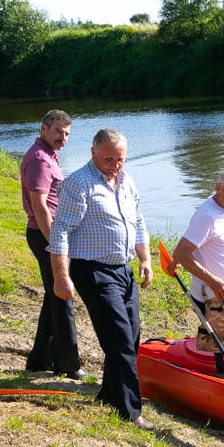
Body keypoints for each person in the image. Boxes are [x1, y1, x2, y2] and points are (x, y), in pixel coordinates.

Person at [48, 129, 154, 430]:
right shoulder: (78, 184)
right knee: (118, 337)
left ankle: (109, 394)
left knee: (130, 336)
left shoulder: (126, 180)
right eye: (109, 158)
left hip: (123, 269)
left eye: (120, 159)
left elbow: (138, 221)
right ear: (93, 152)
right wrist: (61, 277)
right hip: (92, 270)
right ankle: (130, 412)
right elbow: (61, 232)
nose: (115, 165)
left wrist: (145, 259)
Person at [20, 110, 86, 380]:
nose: (63, 137)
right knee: (62, 295)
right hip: (46, 236)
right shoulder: (39, 160)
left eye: (67, 133)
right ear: (43, 128)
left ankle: (39, 358)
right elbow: (40, 206)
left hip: (49, 235)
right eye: (58, 131)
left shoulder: (47, 155)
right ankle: (68, 365)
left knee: (52, 295)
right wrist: (56, 245)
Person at [170, 168, 224, 354]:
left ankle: (214, 360)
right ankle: (223, 378)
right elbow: (181, 252)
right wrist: (214, 281)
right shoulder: (208, 217)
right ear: (218, 188)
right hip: (211, 295)